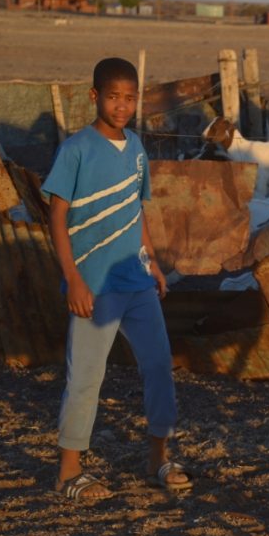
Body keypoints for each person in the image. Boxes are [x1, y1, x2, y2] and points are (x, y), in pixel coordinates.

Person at [42, 57, 191, 501]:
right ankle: (69, 473)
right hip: (96, 284)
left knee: (159, 366)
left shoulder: (137, 147)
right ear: (94, 97)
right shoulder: (76, 149)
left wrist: (153, 263)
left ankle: (157, 458)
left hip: (137, 282)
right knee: (87, 375)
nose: (122, 106)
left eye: (130, 98)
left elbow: (135, 209)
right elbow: (57, 218)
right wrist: (73, 280)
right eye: (113, 96)